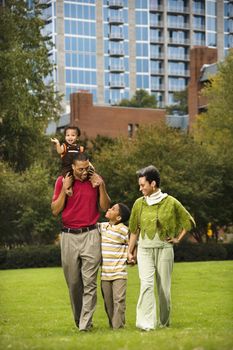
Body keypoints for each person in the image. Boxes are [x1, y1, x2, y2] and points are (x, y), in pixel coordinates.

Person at [127, 165, 195, 331]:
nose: (140, 188)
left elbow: (189, 221)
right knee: (146, 285)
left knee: (164, 289)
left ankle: (164, 323)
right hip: (144, 250)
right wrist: (130, 251)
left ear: (153, 184)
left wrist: (177, 239)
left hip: (164, 249)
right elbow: (134, 229)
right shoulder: (138, 204)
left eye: (143, 185)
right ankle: (146, 324)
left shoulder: (171, 202)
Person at [51, 152, 111, 331]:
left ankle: (85, 324)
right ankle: (79, 320)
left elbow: (105, 207)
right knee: (74, 284)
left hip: (91, 234)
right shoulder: (63, 181)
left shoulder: (96, 180)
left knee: (90, 282)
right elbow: (55, 210)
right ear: (73, 167)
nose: (84, 172)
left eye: (87, 168)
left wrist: (101, 186)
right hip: (69, 236)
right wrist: (64, 189)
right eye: (80, 169)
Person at [99, 203, 130, 329]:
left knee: (119, 300)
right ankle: (113, 325)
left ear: (118, 218)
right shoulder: (102, 226)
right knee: (108, 302)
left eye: (113, 209)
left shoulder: (123, 230)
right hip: (105, 273)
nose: (109, 209)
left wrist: (131, 256)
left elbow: (133, 243)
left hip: (119, 272)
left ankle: (118, 326)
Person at [51, 125, 94, 196]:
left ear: (77, 137)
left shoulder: (80, 148)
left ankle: (92, 183)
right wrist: (57, 144)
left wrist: (90, 165)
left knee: (89, 172)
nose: (70, 137)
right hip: (67, 167)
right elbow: (59, 151)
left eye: (73, 135)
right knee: (68, 178)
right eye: (68, 135)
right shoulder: (64, 146)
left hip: (78, 168)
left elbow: (83, 159)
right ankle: (68, 189)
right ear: (65, 137)